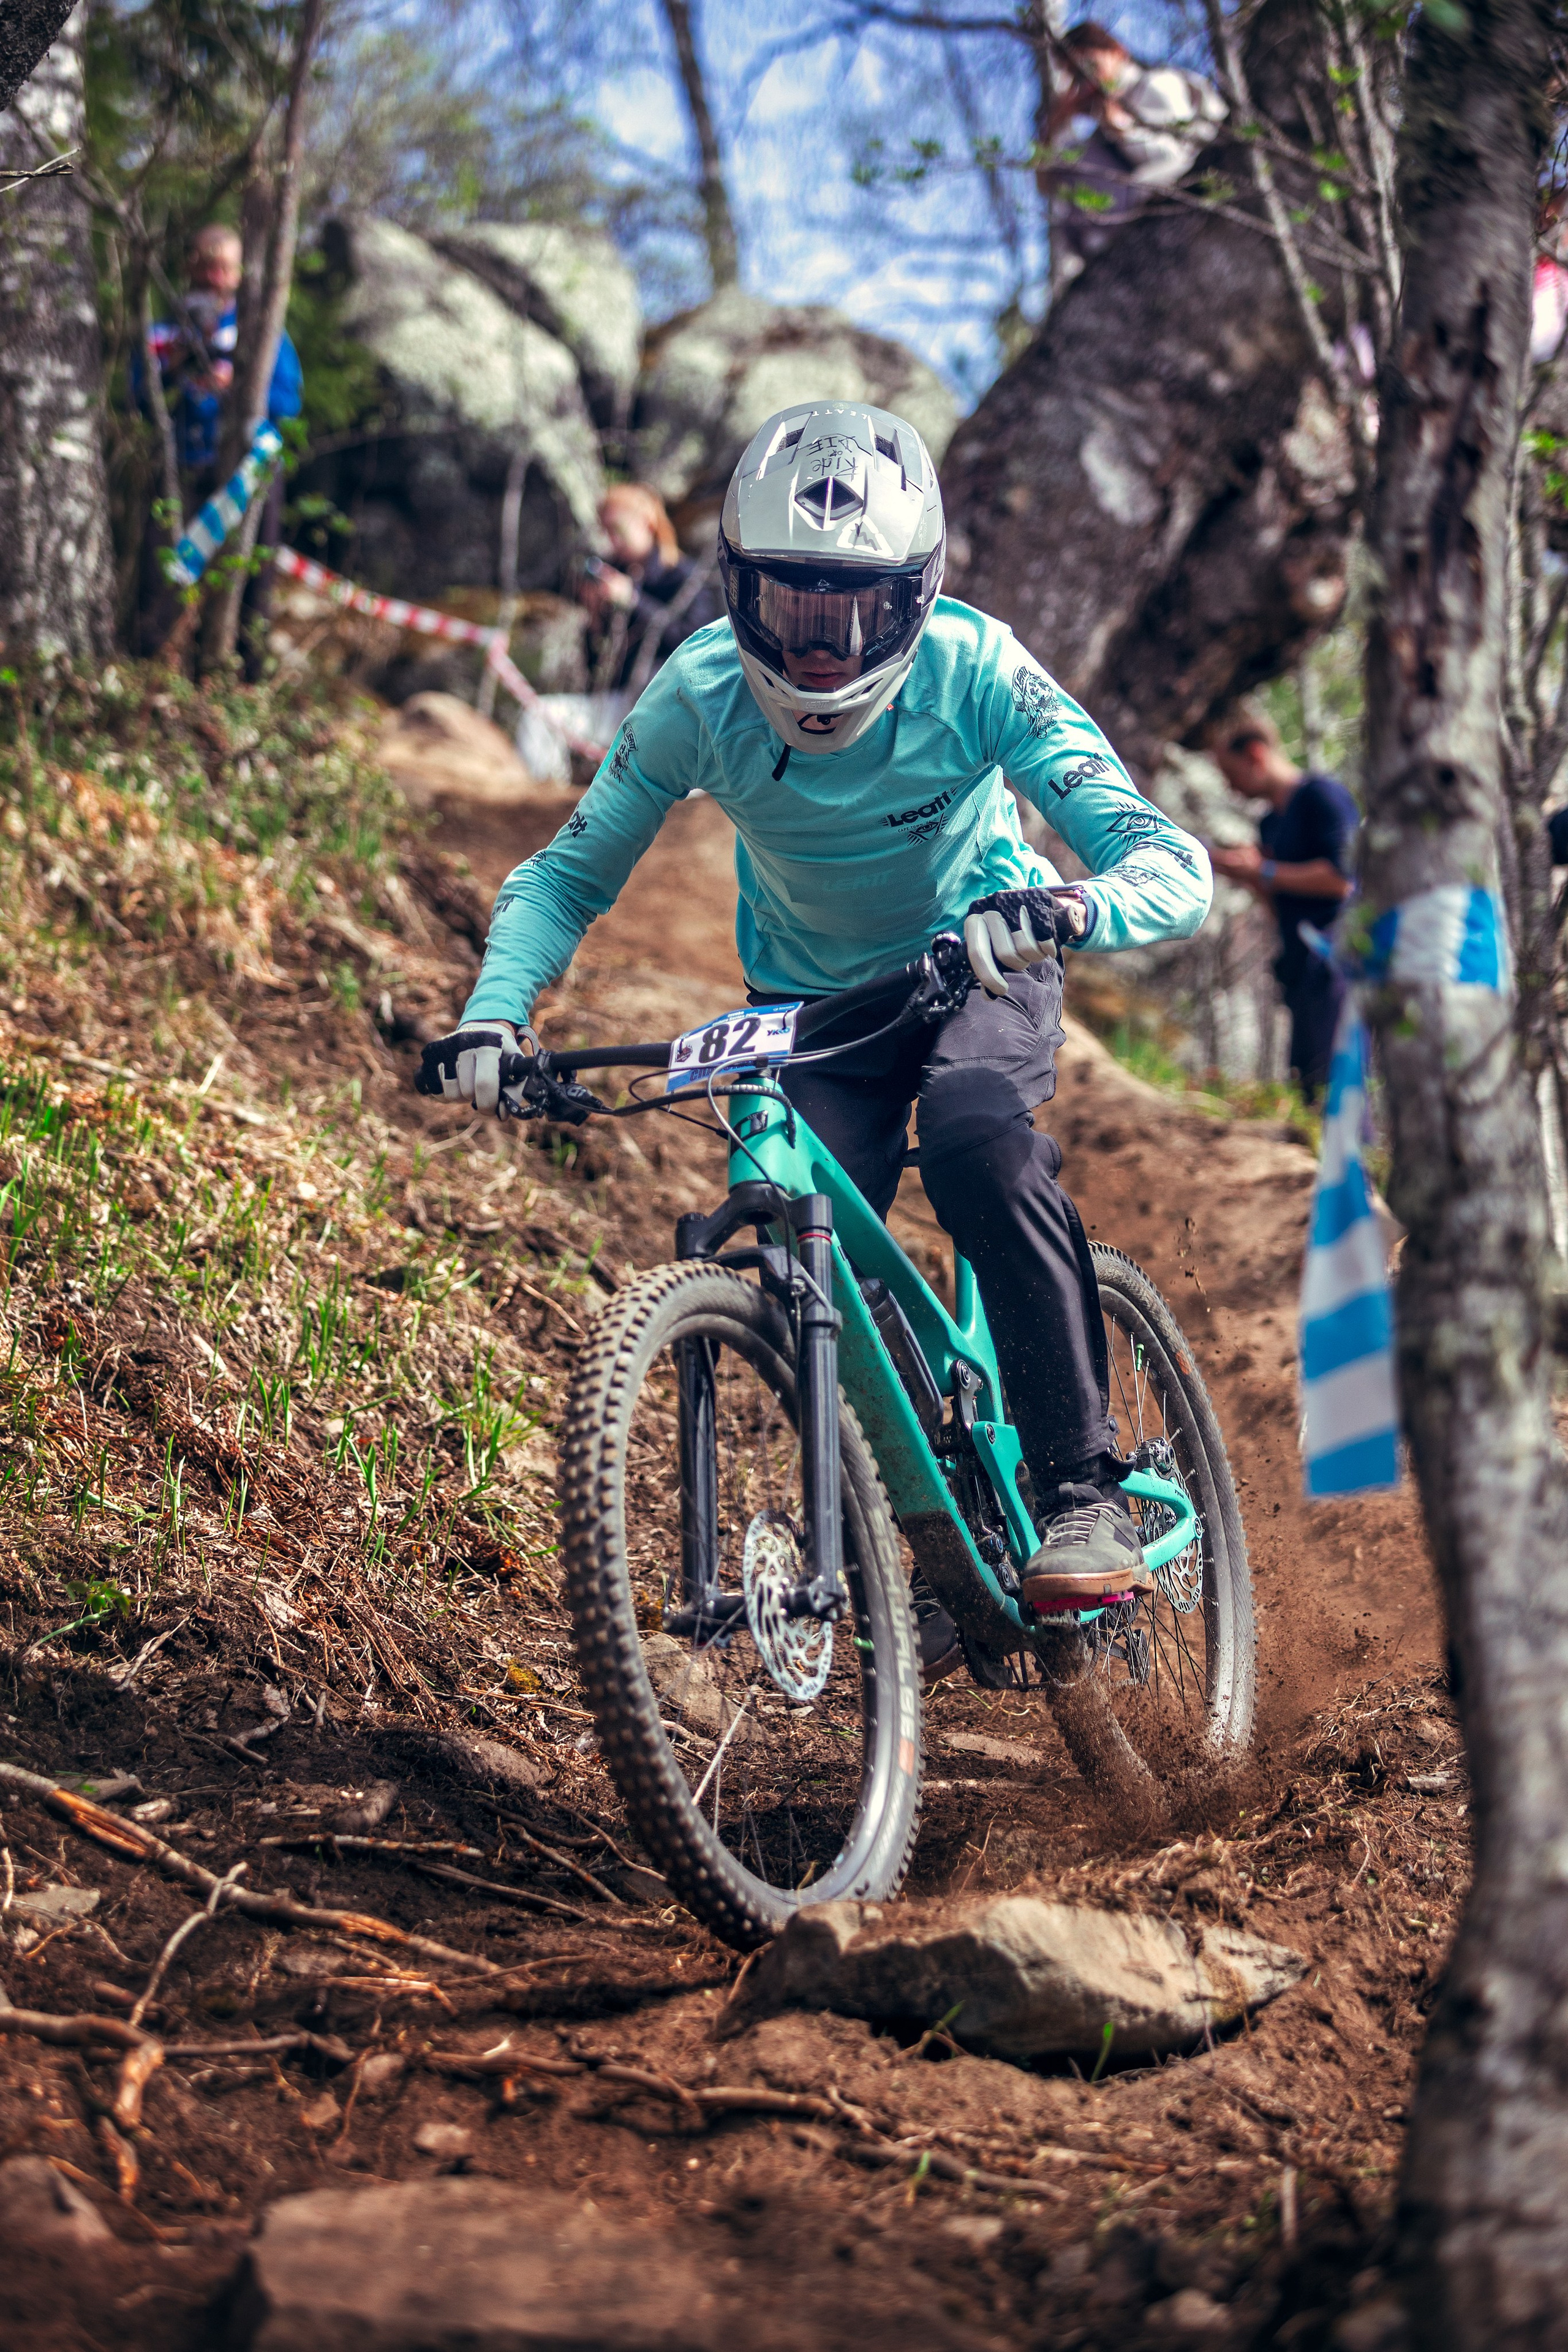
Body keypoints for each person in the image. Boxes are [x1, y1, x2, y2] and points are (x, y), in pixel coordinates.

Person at [420, 401, 1212, 1672]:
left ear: (918, 597)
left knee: (969, 1138)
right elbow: (562, 877)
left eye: (856, 614)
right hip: (805, 1006)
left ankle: (1077, 1494)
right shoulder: (695, 698)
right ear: (735, 587)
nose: (824, 650)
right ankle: (928, 1541)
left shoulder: (975, 670)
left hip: (977, 963)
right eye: (790, 609)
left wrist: (1067, 902)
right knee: (786, 1209)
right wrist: (494, 1019)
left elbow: (1167, 863)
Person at [134, 224, 303, 676]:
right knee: (164, 574)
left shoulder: (259, 331)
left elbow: (290, 400)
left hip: (248, 474)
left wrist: (242, 387)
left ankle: (244, 678)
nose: (214, 276)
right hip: (185, 469)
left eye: (224, 267)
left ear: (238, 273)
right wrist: (172, 370)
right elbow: (138, 396)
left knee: (253, 584)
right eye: (206, 265)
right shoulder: (164, 334)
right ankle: (151, 671)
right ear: (190, 267)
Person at [1208, 707, 1358, 1101]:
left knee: (1337, 1084)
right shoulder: (1269, 823)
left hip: (1337, 962)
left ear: (1255, 756)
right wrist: (1252, 876)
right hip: (1298, 965)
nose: (1232, 789)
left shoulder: (1322, 796)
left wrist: (1266, 871)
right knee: (1306, 1083)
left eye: (1232, 775)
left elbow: (1343, 880)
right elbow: (1280, 903)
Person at [1040, 21, 1226, 281]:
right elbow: (1046, 184)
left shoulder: (1155, 85)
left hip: (1196, 197)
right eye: (1076, 77)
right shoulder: (1102, 124)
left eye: (1089, 66)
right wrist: (1056, 125)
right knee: (1071, 173)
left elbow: (1181, 162)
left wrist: (1122, 129)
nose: (1087, 81)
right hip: (1131, 232)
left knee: (1136, 186)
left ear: (1118, 52)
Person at [580, 483, 722, 690]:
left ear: (646, 524)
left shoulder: (685, 577)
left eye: (617, 530)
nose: (612, 542)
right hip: (618, 696)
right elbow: (598, 665)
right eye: (605, 531)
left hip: (669, 696)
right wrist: (594, 619)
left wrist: (634, 601)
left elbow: (694, 643)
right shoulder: (615, 572)